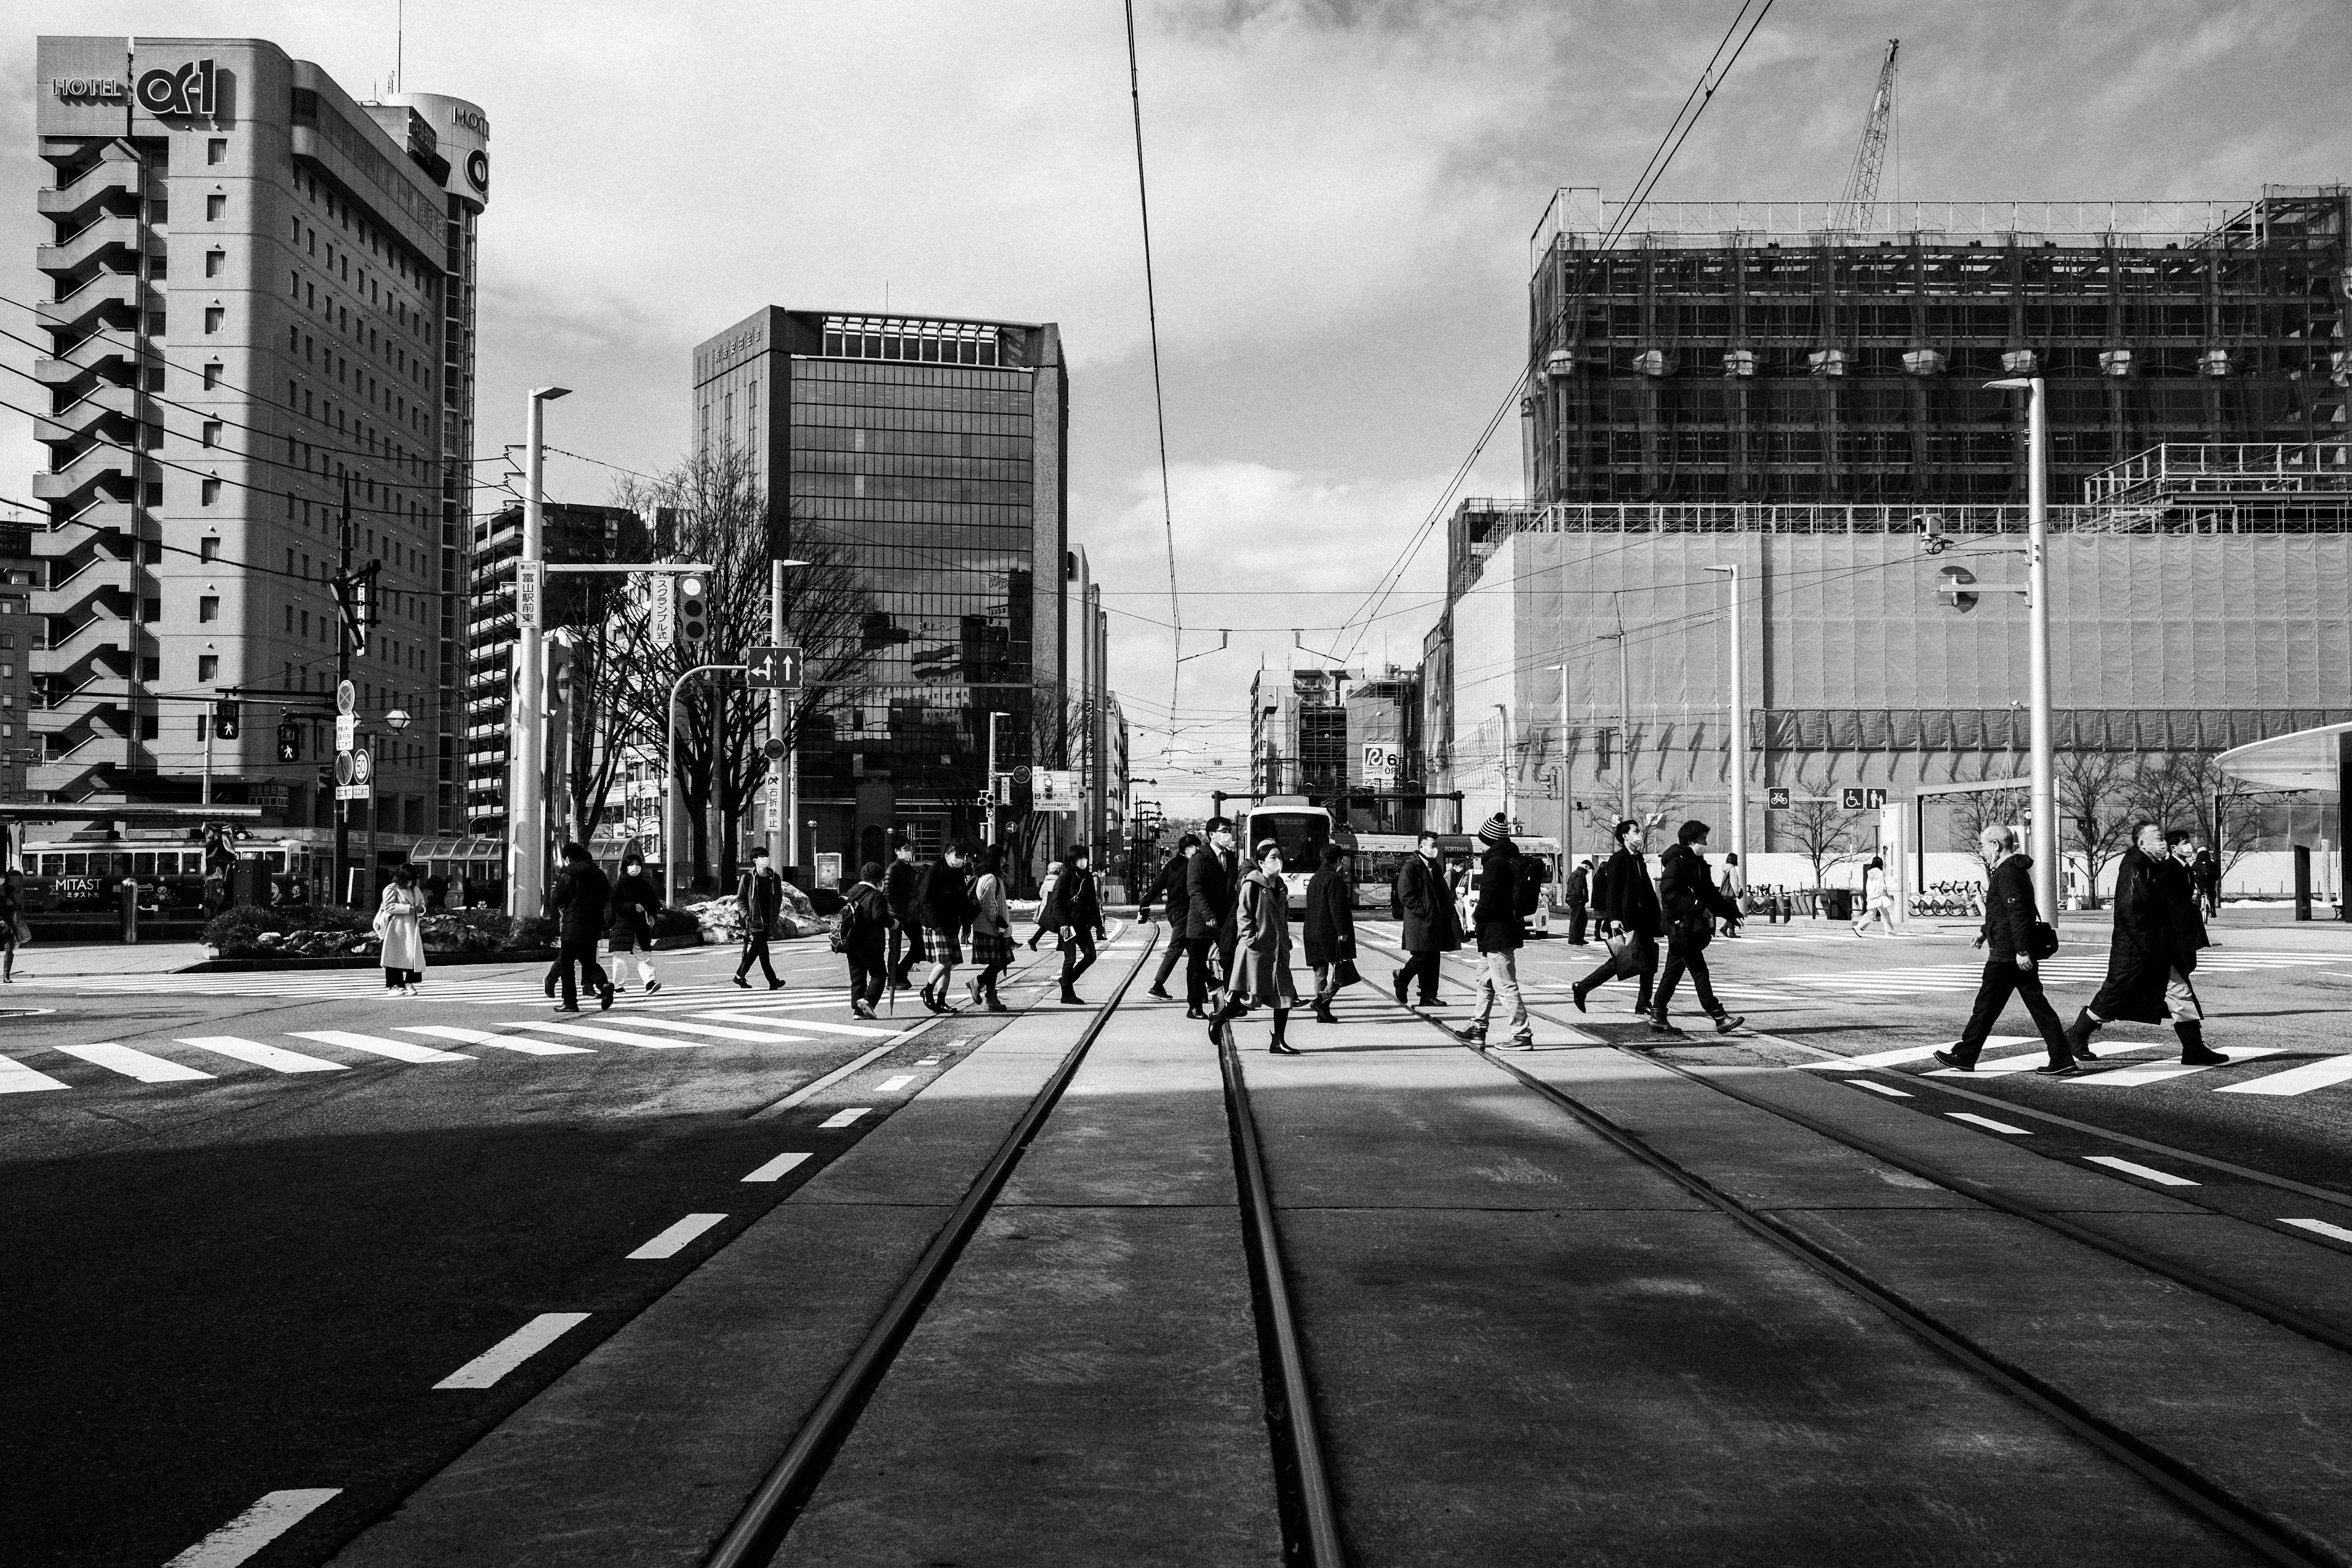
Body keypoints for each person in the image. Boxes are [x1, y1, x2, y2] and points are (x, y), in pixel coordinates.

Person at [2063, 821, 2228, 1068]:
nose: (2163, 843)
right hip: (2135, 951)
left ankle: (2193, 1048)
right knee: (2114, 995)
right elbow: (2130, 911)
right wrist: (2149, 946)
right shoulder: (2135, 867)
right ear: (2142, 843)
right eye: (2158, 838)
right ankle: (2077, 1034)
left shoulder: (2155, 867)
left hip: (2157, 948)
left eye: (2163, 838)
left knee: (2179, 991)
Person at [1931, 826, 2077, 1074]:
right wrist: (1984, 930)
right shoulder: (2014, 870)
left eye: (1983, 845)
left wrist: (2021, 951)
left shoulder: (2006, 872)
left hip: (2008, 955)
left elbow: (2016, 912)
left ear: (1996, 846)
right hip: (2013, 951)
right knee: (2035, 1006)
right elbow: (2002, 911)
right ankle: (2062, 1057)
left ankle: (1966, 1055)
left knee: (1986, 1006)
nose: (1982, 850)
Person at [1649, 820, 1744, 1036]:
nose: (1706, 842)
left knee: (1672, 974)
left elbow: (1710, 893)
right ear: (1692, 841)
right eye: (1703, 839)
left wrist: (1732, 914)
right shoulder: (1678, 862)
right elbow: (1669, 893)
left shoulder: (1698, 863)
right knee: (1700, 972)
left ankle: (1658, 1015)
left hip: (1689, 928)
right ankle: (1719, 1016)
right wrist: (1696, 906)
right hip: (1682, 927)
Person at [1213, 840, 1300, 1055]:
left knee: (1284, 997)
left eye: (1280, 856)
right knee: (1249, 1000)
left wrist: (1286, 938)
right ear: (1262, 863)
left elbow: (1284, 915)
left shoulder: (1280, 885)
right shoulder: (1251, 884)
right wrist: (1252, 940)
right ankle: (1219, 1017)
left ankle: (1278, 1041)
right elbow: (1243, 915)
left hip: (1278, 949)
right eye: (1273, 858)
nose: (1278, 861)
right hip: (1257, 950)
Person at [1572, 818, 1661, 1016]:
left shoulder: (1638, 858)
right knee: (1620, 961)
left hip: (1642, 919)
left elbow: (1644, 889)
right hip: (1627, 919)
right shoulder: (1618, 859)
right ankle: (1582, 988)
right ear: (1625, 836)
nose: (1640, 834)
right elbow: (1612, 891)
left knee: (1650, 959)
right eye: (1636, 831)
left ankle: (1643, 1003)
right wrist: (1613, 917)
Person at [1459, 815, 1534, 1050]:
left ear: (1488, 840)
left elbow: (1489, 899)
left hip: (1497, 931)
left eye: (1481, 839)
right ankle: (1477, 1027)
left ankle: (1522, 1034)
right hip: (1502, 930)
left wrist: (1476, 916)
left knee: (1505, 984)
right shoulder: (1511, 857)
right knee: (1484, 981)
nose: (1479, 843)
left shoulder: (1495, 863)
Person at [1392, 830, 1461, 1008]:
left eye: (1436, 846)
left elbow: (1443, 894)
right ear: (1421, 847)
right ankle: (1402, 977)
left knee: (1433, 958)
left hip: (1434, 921)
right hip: (1419, 921)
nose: (1435, 849)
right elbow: (1405, 894)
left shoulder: (1435, 867)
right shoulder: (1411, 866)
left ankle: (1429, 996)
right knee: (1422, 956)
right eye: (1432, 846)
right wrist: (1423, 910)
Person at [549, 843, 615, 1013]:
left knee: (567, 964)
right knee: (588, 960)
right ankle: (604, 984)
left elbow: (557, 899)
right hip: (594, 925)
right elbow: (608, 897)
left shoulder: (568, 874)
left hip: (573, 925)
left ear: (568, 858)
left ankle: (570, 1002)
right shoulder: (599, 874)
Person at [1184, 818, 1240, 1019]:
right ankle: (1195, 1007)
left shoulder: (1231, 857)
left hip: (1225, 919)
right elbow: (1195, 890)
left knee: (1230, 959)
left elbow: (1233, 889)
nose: (1228, 835)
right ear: (1212, 835)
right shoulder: (1200, 858)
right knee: (1197, 965)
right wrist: (1208, 914)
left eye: (1230, 831)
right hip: (1202, 920)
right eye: (1224, 831)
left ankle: (1232, 1003)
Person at [912, 840, 975, 1013]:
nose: (960, 860)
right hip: (936, 923)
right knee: (945, 961)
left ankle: (941, 1000)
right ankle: (928, 989)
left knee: (949, 963)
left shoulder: (957, 873)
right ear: (947, 856)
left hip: (951, 922)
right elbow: (924, 898)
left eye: (962, 857)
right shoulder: (935, 871)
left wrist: (966, 923)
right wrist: (935, 923)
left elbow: (963, 900)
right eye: (957, 856)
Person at [1042, 842, 1106, 1005]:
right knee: (1070, 958)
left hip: (1083, 924)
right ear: (1072, 860)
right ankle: (1067, 993)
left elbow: (1092, 902)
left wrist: (1099, 925)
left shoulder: (1088, 877)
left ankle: (1066, 980)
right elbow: (1057, 903)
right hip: (1068, 925)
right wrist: (1064, 923)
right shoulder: (1066, 877)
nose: (1084, 861)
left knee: (1090, 956)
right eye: (1080, 858)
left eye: (1085, 857)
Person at [1301, 841, 1356, 1024]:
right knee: (1343, 971)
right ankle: (1322, 1000)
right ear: (1338, 860)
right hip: (1330, 933)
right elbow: (1337, 907)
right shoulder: (1333, 879)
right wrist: (1342, 931)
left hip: (1312, 931)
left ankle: (1322, 1012)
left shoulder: (1315, 878)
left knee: (1320, 973)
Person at [1140, 834, 1198, 1001]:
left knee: (1193, 948)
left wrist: (1144, 902)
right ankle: (1157, 986)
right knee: (1176, 948)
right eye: (1195, 847)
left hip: (1173, 911)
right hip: (1186, 911)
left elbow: (1157, 886)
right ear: (1188, 849)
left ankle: (1207, 984)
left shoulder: (1171, 865)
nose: (1197, 850)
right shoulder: (1193, 864)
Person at [837, 861, 892, 1019]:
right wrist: (893, 923)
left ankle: (858, 1011)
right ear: (878, 881)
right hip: (870, 944)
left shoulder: (853, 893)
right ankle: (868, 1001)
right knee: (879, 975)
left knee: (857, 978)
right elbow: (879, 917)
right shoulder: (875, 895)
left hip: (851, 943)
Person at [605, 851, 665, 995]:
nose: (635, 868)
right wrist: (633, 907)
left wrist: (652, 914)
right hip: (622, 926)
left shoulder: (644, 885)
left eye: (638, 865)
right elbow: (616, 906)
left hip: (640, 926)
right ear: (625, 867)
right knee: (620, 957)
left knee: (644, 955)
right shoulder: (618, 886)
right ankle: (618, 986)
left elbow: (652, 902)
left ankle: (650, 982)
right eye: (632, 865)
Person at [965, 845, 1014, 1013]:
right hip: (990, 928)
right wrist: (998, 924)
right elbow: (988, 904)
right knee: (1000, 962)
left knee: (997, 962)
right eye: (1001, 857)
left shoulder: (993, 877)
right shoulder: (990, 878)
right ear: (996, 858)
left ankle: (991, 999)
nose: (1004, 860)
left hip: (991, 927)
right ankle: (977, 983)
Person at [733, 847, 788, 990]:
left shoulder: (774, 878)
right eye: (762, 857)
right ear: (755, 861)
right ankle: (773, 980)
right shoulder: (748, 878)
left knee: (755, 950)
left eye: (767, 856)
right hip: (754, 920)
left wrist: (775, 914)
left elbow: (778, 898)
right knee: (764, 951)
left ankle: (739, 976)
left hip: (769, 920)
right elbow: (741, 899)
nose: (766, 859)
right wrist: (747, 917)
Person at [377, 862, 429, 996]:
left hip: (412, 926)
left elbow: (423, 905)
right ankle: (394, 986)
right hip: (396, 927)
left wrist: (421, 909)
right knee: (394, 956)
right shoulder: (391, 889)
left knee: (413, 956)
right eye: (408, 878)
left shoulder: (415, 890)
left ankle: (409, 982)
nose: (411, 881)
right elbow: (388, 906)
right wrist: (408, 909)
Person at [883, 834, 927, 987]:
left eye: (910, 848)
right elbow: (888, 893)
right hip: (897, 915)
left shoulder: (908, 868)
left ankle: (901, 972)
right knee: (895, 949)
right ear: (897, 851)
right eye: (906, 849)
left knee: (920, 946)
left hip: (909, 914)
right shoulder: (893, 869)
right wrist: (898, 911)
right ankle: (893, 979)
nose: (909, 851)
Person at [1852, 855, 1897, 937]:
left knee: (1871, 914)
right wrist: (1885, 894)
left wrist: (1869, 896)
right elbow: (1881, 886)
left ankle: (1859, 927)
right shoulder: (1880, 873)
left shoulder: (1870, 873)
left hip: (1872, 897)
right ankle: (1889, 931)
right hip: (1879, 897)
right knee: (1885, 914)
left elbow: (1868, 887)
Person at [1562, 856, 1592, 946]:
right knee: (1577, 920)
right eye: (1589, 868)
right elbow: (1580, 888)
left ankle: (1579, 938)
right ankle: (1574, 939)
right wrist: (1581, 899)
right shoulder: (1581, 874)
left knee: (1582, 918)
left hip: (1572, 899)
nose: (1589, 871)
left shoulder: (1575, 873)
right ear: (1586, 867)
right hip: (1577, 900)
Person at [0, 866, 21, 983]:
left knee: (9, 949)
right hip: (1, 922)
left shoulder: (9, 889)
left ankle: (6, 975)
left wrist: (11, 904)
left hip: (8, 924)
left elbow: (14, 906)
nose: (1, 879)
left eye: (3, 876)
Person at [2192, 844, 2222, 920]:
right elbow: (2217, 872)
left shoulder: (2197, 863)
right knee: (2211, 894)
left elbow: (2192, 870)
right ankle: (2212, 909)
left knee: (2199, 893)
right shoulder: (2211, 863)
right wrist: (2216, 879)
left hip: (2200, 882)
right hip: (2210, 882)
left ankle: (2197, 909)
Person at [1718, 852, 1744, 938]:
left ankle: (1725, 929)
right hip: (1731, 895)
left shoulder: (1725, 868)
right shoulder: (1732, 869)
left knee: (1731, 912)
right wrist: (1736, 893)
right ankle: (1731, 932)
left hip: (1725, 894)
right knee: (1734, 913)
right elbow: (1734, 883)